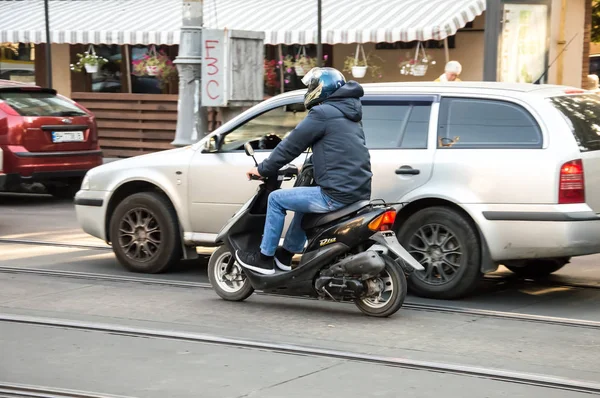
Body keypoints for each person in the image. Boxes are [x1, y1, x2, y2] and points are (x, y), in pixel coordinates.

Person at [235, 67, 373, 275]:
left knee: (276, 199)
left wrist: (263, 169)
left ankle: (264, 260)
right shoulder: (349, 114)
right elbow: (337, 151)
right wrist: (305, 166)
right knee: (303, 196)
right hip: (358, 190)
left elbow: (291, 145)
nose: (308, 90)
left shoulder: (323, 113)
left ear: (320, 89)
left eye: (311, 86)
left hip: (336, 193)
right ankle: (284, 257)